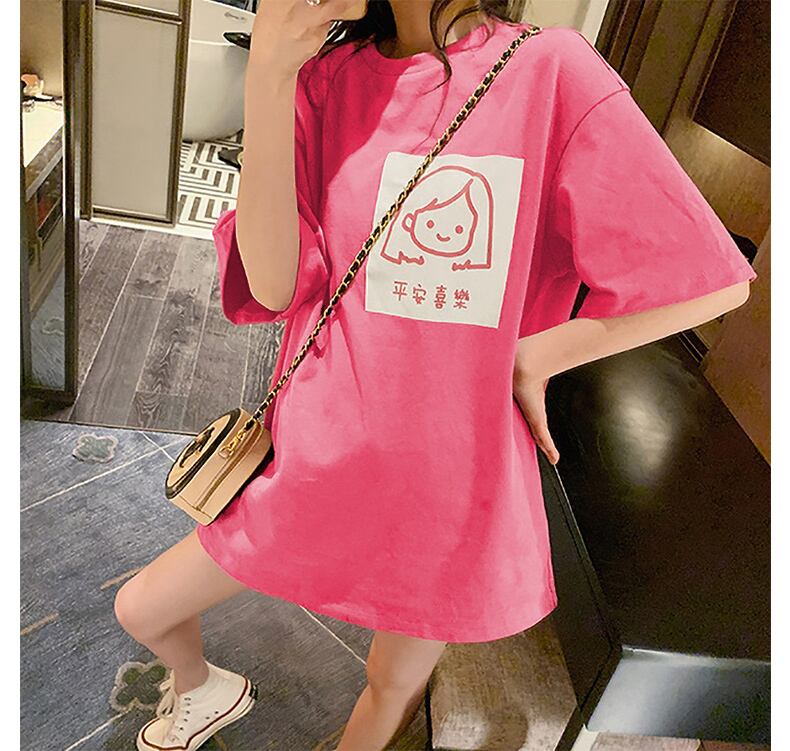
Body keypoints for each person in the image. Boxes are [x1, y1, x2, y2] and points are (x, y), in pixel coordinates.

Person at [113, 1, 758, 750]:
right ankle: (203, 689)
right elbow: (277, 283)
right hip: (314, 461)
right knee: (143, 607)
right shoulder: (327, 80)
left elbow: (708, 281)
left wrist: (538, 355)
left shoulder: (548, 70)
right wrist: (267, 74)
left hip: (447, 485)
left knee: (392, 683)